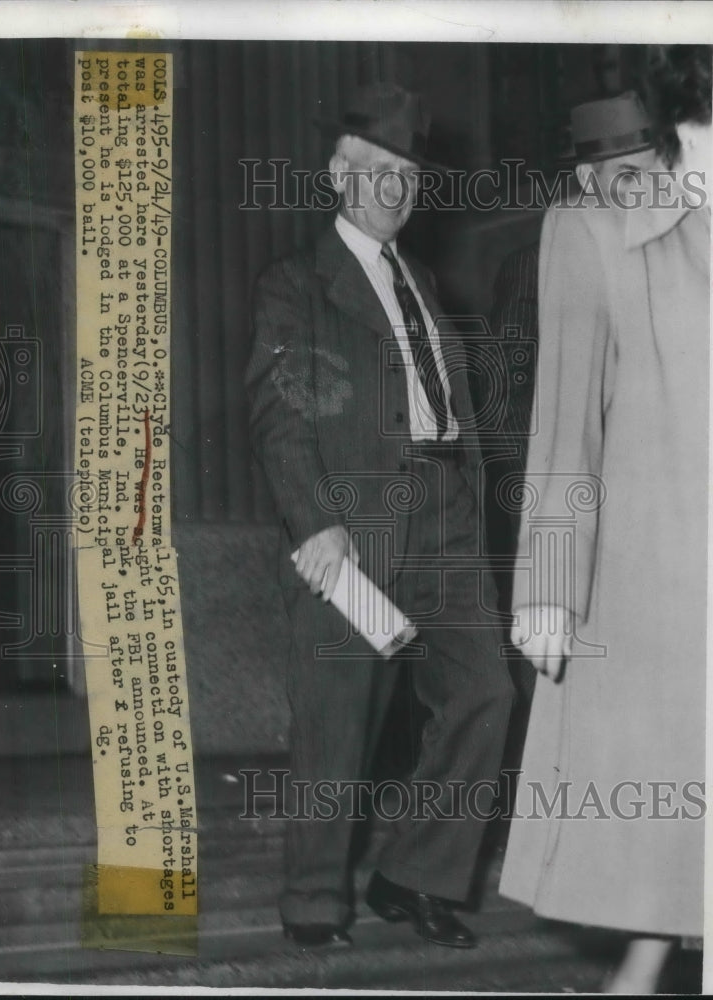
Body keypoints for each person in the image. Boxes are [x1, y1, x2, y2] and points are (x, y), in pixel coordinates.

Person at [246, 83, 513, 950]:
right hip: (352, 519)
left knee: (483, 691)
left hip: (444, 512)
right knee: (337, 712)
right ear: (337, 173)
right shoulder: (298, 285)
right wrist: (315, 525)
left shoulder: (426, 285)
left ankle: (414, 876)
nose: (395, 189)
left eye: (408, 175)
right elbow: (280, 417)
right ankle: (315, 900)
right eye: (377, 172)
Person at [499, 46, 712, 994]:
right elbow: (562, 424)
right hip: (654, 569)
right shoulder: (589, 224)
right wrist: (549, 589)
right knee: (663, 797)